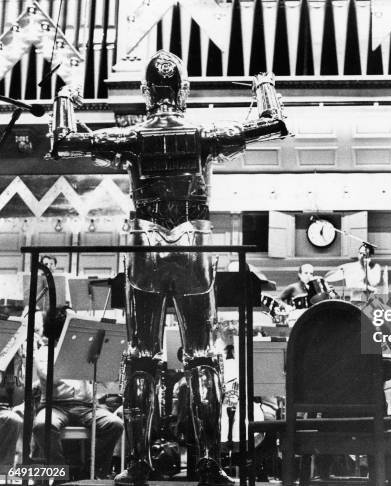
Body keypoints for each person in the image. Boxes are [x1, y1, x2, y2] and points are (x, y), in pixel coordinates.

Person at [49, 50, 288, 485]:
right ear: (184, 90)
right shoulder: (204, 134)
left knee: (141, 355)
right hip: (193, 244)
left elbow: (63, 141)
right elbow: (274, 125)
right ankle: (210, 465)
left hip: (145, 247)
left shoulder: (134, 135)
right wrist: (264, 87)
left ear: (144, 91)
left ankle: (136, 464)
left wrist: (66, 98)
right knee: (203, 357)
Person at [32, 335, 124, 479]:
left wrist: (106, 361)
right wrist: (75, 357)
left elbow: (108, 380)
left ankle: (91, 474)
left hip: (86, 407)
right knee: (42, 425)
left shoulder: (85, 350)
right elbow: (53, 379)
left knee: (115, 424)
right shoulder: (44, 352)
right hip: (55, 405)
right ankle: (60, 476)